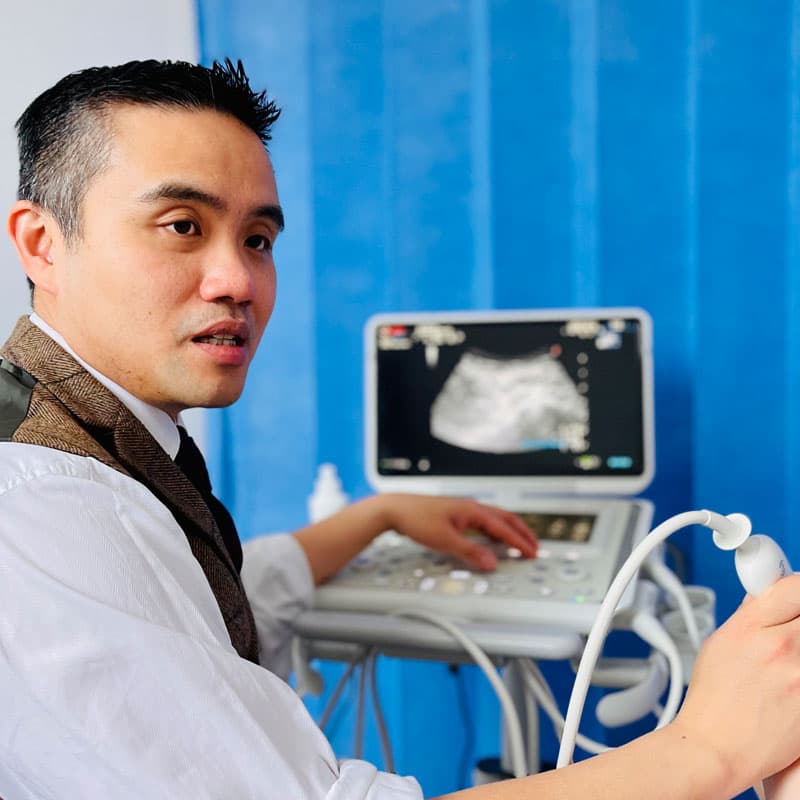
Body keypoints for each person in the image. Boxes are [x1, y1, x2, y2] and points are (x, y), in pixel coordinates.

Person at [0, 59, 798, 800]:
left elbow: (182, 612)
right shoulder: (44, 499)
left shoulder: (72, 429)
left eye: (258, 240)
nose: (237, 280)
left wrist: (375, 517)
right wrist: (711, 748)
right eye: (181, 225)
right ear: (43, 243)